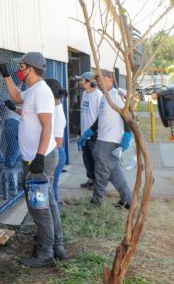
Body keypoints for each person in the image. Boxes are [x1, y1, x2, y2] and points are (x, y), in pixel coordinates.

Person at [0, 52, 65, 267]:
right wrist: (6, 76)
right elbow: (18, 98)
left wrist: (38, 155)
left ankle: (46, 253)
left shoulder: (42, 92)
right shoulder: (34, 90)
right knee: (48, 204)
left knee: (39, 206)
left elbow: (47, 126)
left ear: (30, 69)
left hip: (40, 159)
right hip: (35, 157)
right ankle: (56, 246)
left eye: (22, 67)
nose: (20, 70)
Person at [79, 69, 132, 209]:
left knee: (101, 173)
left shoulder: (116, 95)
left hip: (110, 141)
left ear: (110, 79)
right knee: (114, 173)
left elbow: (127, 115)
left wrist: (127, 135)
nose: (98, 83)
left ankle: (96, 203)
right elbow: (99, 120)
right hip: (102, 139)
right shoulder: (104, 97)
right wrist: (87, 133)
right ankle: (128, 200)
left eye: (101, 79)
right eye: (97, 80)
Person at [77, 71, 102, 189]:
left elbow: (101, 117)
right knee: (86, 159)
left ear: (88, 82)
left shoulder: (98, 95)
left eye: (82, 80)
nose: (80, 82)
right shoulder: (84, 94)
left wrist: (94, 132)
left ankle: (98, 183)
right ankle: (90, 179)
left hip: (94, 134)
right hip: (84, 134)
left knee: (95, 159)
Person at [45, 79, 68, 205]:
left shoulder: (58, 114)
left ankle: (54, 220)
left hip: (55, 155)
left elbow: (58, 143)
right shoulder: (53, 108)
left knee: (51, 191)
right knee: (50, 190)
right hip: (53, 154)